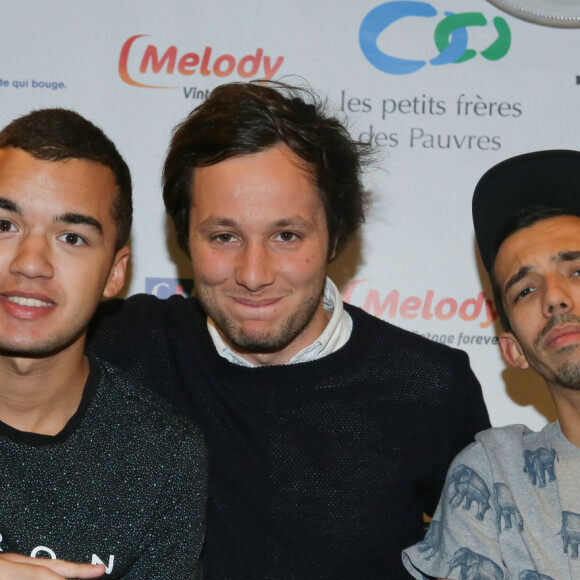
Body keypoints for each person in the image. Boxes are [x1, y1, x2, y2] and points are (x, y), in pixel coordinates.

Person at [88, 81, 490, 579]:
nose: (253, 274)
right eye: (224, 236)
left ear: (335, 236)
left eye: (286, 235)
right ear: (183, 237)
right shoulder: (117, 346)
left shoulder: (428, 385)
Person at [0, 109, 207, 579]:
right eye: (4, 226)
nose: (31, 263)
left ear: (116, 273)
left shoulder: (162, 454)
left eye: (71, 237)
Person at [403, 149, 580, 580]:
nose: (554, 297)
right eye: (525, 290)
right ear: (513, 349)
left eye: (577, 271)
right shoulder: (495, 475)